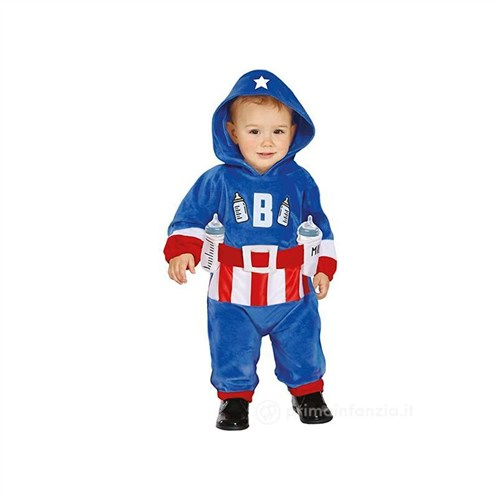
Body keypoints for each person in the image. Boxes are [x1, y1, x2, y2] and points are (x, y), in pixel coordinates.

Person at [164, 69, 337, 430]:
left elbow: (319, 224)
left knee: (303, 343)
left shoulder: (300, 180)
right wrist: (183, 249)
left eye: (278, 131)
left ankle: (307, 392)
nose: (267, 141)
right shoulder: (218, 180)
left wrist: (323, 266)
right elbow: (190, 216)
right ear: (232, 132)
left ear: (294, 131)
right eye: (254, 131)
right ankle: (234, 398)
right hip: (232, 288)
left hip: (291, 288)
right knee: (231, 345)